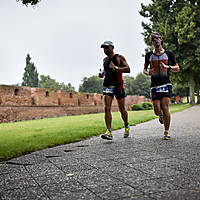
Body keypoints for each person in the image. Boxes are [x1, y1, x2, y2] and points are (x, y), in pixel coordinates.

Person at [143, 33, 180, 140]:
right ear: (152, 43)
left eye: (157, 39)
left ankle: (166, 132)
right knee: (157, 110)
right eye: (153, 40)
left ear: (161, 39)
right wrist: (148, 72)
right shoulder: (148, 55)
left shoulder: (168, 53)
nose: (155, 41)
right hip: (154, 85)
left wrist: (167, 67)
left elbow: (177, 68)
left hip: (166, 84)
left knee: (165, 107)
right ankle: (160, 116)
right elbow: (144, 69)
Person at [99, 41, 130, 140]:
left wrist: (116, 68)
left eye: (107, 47)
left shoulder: (119, 57)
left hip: (118, 86)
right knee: (107, 108)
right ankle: (109, 131)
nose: (105, 50)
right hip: (108, 86)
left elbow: (128, 69)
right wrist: (102, 74)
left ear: (112, 47)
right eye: (104, 48)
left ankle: (126, 125)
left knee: (122, 109)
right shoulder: (104, 60)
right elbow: (106, 71)